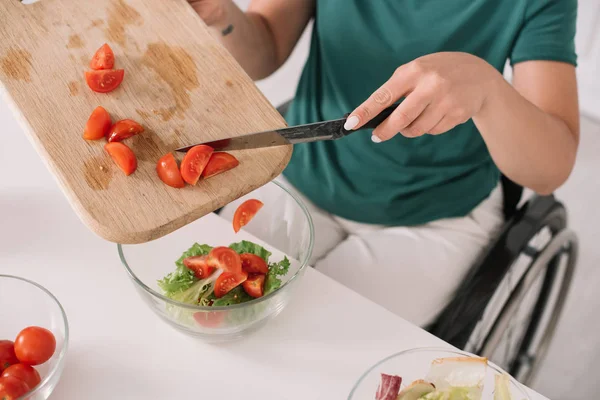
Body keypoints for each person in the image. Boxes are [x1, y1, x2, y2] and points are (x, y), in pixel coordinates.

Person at [189, 0, 579, 327]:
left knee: (311, 342)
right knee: (214, 310)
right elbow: (267, 44)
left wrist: (489, 90)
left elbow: (550, 170)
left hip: (436, 219)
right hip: (299, 177)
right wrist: (223, 18)